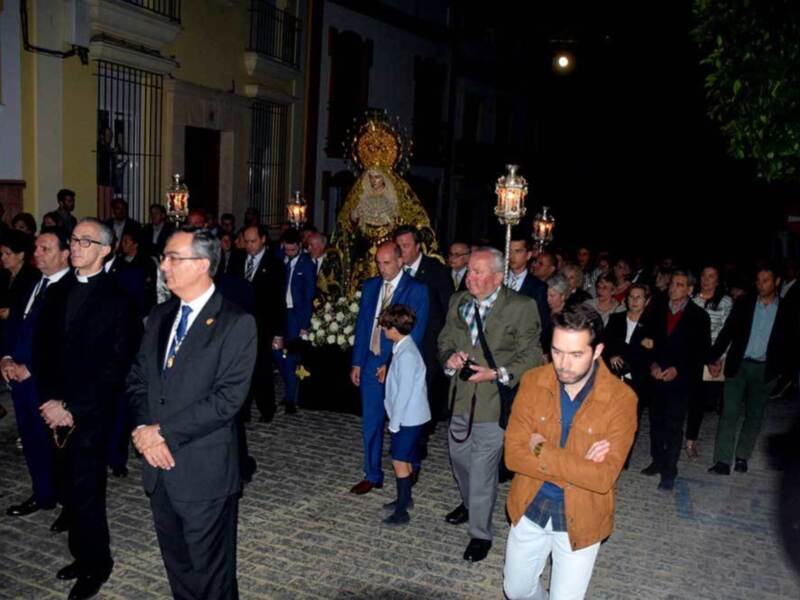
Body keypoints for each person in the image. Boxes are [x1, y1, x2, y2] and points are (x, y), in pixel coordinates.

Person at [128, 228, 257, 599]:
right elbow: (138, 380)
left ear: (202, 264)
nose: (163, 266)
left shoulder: (235, 322)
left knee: (212, 574)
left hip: (204, 472)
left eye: (173, 258)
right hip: (158, 467)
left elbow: (227, 400)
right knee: (178, 567)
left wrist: (162, 432)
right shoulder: (160, 315)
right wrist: (144, 429)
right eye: (163, 258)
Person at [503, 305, 637, 600]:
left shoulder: (621, 400)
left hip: (582, 516)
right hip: (531, 504)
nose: (563, 364)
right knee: (516, 591)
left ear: (597, 350)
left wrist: (541, 449)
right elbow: (512, 455)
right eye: (557, 351)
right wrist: (579, 467)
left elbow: (602, 478)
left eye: (576, 354)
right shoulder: (533, 381)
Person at [36, 218, 139, 600]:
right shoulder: (57, 290)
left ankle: (97, 563)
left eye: (85, 241)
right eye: (74, 240)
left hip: (91, 411)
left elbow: (116, 366)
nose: (76, 246)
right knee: (66, 484)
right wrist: (50, 401)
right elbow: (43, 350)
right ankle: (81, 556)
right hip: (54, 408)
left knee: (87, 489)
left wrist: (72, 406)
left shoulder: (119, 300)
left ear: (105, 250)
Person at [438, 247, 542, 562]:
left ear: (497, 277)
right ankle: (471, 503)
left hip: (495, 402)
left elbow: (532, 355)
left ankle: (480, 534)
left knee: (482, 470)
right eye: (469, 270)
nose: (469, 277)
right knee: (460, 460)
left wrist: (496, 373)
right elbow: (444, 340)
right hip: (460, 399)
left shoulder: (521, 306)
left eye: (477, 272)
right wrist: (449, 358)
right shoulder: (459, 301)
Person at [2, 227, 71, 525]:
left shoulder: (70, 289)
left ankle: (69, 504)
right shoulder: (31, 283)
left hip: (46, 381)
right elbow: (13, 326)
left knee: (58, 446)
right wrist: (6, 357)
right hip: (19, 378)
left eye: (46, 249)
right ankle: (43, 494)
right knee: (31, 440)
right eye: (36, 248)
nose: (37, 254)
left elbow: (66, 341)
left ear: (65, 254)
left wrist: (31, 367)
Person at [349, 241, 428, 494]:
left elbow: (415, 333)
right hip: (371, 361)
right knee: (371, 421)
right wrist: (357, 362)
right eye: (379, 263)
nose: (382, 268)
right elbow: (363, 325)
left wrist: (391, 364)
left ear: (400, 261)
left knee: (403, 418)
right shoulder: (371, 286)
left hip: (398, 362)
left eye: (387, 263)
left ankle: (410, 466)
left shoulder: (416, 289)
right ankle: (372, 474)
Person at [708, 263, 793, 475]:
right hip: (739, 365)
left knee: (754, 416)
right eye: (758, 280)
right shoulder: (745, 302)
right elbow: (728, 331)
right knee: (729, 412)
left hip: (765, 369)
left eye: (766, 281)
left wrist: (783, 373)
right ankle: (722, 461)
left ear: (777, 282)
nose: (761, 285)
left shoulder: (787, 309)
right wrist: (713, 357)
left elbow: (791, 343)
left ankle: (742, 457)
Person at [642, 270, 710, 490]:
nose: (673, 288)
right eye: (672, 284)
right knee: (656, 423)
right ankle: (657, 460)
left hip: (680, 381)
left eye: (680, 285)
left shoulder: (699, 316)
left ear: (690, 289)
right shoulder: (657, 310)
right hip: (657, 376)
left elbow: (700, 352)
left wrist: (678, 369)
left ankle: (669, 471)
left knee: (673, 426)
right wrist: (653, 364)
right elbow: (646, 341)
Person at [377, 304, 430, 526]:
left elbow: (404, 392)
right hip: (410, 417)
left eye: (385, 326)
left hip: (408, 418)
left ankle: (401, 512)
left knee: (399, 461)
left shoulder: (406, 354)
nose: (382, 329)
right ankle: (404, 499)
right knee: (405, 459)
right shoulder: (402, 347)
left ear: (394, 328)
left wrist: (394, 423)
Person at [238, 225, 285, 422]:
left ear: (263, 239)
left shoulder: (275, 265)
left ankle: (266, 408)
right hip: (239, 324)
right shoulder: (237, 259)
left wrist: (278, 332)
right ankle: (243, 410)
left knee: (262, 368)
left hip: (263, 326)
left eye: (253, 241)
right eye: (247, 241)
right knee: (240, 368)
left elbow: (278, 301)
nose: (249, 246)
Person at [685, 265, 733, 458]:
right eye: (704, 276)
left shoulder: (725, 301)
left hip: (713, 355)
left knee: (700, 401)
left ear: (718, 280)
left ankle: (692, 441)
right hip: (691, 355)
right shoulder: (692, 299)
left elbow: (727, 332)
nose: (706, 280)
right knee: (687, 400)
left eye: (711, 276)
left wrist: (719, 358)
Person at [274, 228, 316, 413]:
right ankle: (289, 390)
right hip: (279, 312)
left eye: (293, 250)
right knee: (277, 353)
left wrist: (304, 324)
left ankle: (291, 398)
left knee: (291, 357)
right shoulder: (279, 259)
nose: (289, 253)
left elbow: (308, 296)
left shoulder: (307, 264)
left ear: (299, 246)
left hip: (295, 315)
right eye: (287, 249)